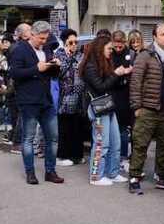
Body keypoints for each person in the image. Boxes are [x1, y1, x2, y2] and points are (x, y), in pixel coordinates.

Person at [129, 24, 164, 194]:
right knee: (140, 143)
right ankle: (134, 176)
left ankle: (162, 176)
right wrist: (137, 106)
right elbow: (136, 82)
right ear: (155, 37)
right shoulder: (146, 55)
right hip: (148, 109)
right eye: (163, 34)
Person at [10, 21, 64, 185]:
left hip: (46, 100)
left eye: (45, 38)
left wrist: (55, 66)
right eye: (41, 38)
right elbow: (15, 73)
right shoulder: (20, 49)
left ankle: (50, 171)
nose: (43, 41)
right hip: (28, 101)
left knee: (53, 138)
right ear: (32, 35)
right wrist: (36, 69)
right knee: (28, 138)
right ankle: (30, 172)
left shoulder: (46, 48)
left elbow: (51, 74)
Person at [81, 36, 128, 185]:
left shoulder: (105, 63)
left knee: (115, 142)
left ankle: (112, 173)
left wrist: (121, 74)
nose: (111, 51)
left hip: (108, 105)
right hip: (98, 107)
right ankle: (96, 176)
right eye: (109, 48)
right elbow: (101, 86)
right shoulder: (90, 66)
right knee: (102, 143)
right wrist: (116, 74)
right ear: (100, 48)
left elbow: (111, 84)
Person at [55, 29, 87, 166]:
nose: (74, 45)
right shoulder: (59, 54)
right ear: (64, 43)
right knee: (65, 127)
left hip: (80, 96)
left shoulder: (81, 55)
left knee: (78, 127)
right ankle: (63, 155)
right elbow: (59, 73)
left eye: (76, 42)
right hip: (66, 97)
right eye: (71, 42)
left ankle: (77, 155)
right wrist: (69, 58)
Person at [110, 31, 135, 169]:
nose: (118, 49)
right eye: (116, 46)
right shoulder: (109, 53)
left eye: (120, 46)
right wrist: (118, 72)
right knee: (112, 128)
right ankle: (113, 156)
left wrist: (128, 72)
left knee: (123, 129)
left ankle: (124, 157)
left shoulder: (131, 54)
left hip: (125, 94)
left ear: (124, 42)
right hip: (112, 93)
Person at [8, 23, 32, 155]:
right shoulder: (17, 48)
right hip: (19, 84)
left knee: (21, 114)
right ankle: (17, 142)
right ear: (22, 34)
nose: (31, 31)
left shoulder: (21, 46)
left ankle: (18, 140)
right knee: (22, 114)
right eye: (29, 30)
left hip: (21, 84)